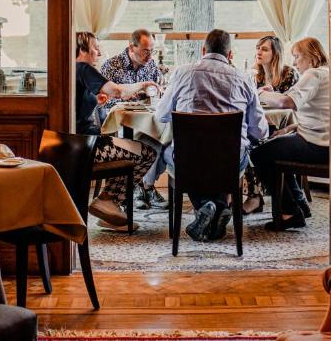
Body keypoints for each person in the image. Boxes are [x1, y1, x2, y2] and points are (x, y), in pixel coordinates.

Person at [155, 29, 269, 242]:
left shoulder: (182, 73)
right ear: (230, 55)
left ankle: (207, 207)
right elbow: (260, 131)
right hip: (230, 160)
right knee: (231, 156)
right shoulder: (244, 79)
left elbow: (161, 115)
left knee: (170, 153)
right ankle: (218, 207)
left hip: (189, 159)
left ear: (203, 49)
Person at [75, 32, 159, 229]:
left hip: (77, 143)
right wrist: (144, 85)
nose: (99, 52)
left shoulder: (73, 70)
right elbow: (118, 92)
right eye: (95, 47)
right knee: (147, 152)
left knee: (132, 148)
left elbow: (76, 106)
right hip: (86, 147)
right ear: (81, 50)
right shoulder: (84, 68)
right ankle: (108, 200)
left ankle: (108, 209)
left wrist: (95, 100)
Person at [254, 37, 330, 231]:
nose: (295, 62)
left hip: (316, 145)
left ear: (312, 57)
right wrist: (288, 129)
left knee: (259, 154)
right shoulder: (328, 73)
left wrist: (258, 94)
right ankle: (299, 203)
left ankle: (290, 212)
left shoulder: (313, 74)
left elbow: (286, 102)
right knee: (277, 147)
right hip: (325, 142)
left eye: (297, 57)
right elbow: (321, 116)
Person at [100, 29, 169, 210]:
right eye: (146, 51)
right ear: (131, 47)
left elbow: (160, 92)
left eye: (152, 51)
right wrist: (130, 95)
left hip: (146, 121)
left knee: (165, 140)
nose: (149, 56)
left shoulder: (151, 66)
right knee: (149, 141)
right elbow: (104, 103)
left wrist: (159, 92)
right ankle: (140, 187)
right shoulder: (112, 66)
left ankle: (145, 186)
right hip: (120, 126)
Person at [243, 36, 299, 215]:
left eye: (265, 49)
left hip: (284, 128)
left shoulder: (289, 74)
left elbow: (293, 105)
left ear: (275, 53)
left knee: (256, 145)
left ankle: (258, 197)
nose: (259, 51)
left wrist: (271, 95)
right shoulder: (254, 76)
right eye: (258, 48)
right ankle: (254, 195)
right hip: (261, 125)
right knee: (245, 142)